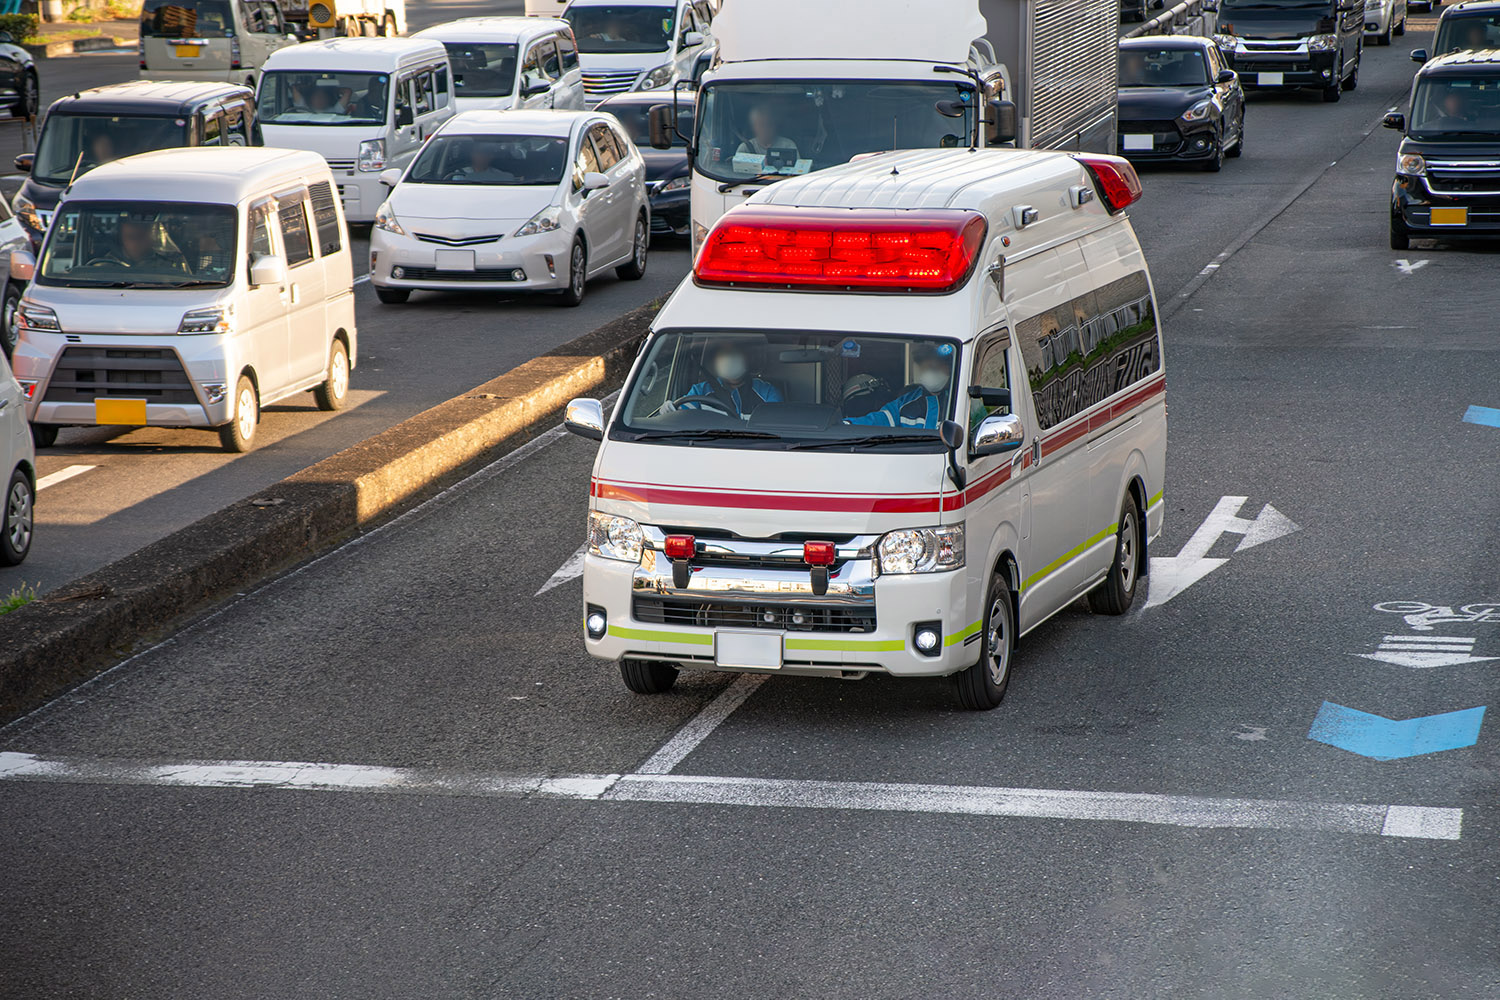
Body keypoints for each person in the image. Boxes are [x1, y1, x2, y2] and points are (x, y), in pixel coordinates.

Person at [845, 342, 954, 429]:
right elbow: (877, 420)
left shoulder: (959, 400)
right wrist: (845, 425)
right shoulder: (905, 402)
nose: (931, 372)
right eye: (927, 367)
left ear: (950, 369)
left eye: (936, 367)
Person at [682, 341, 783, 418]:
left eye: (736, 353)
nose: (730, 360)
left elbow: (777, 427)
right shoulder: (700, 392)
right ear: (716, 361)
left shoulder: (767, 393)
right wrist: (669, 413)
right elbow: (679, 418)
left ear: (747, 358)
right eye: (724, 354)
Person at [91, 219, 188, 274]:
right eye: (132, 237)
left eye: (142, 236)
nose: (137, 242)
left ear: (151, 238)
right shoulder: (102, 267)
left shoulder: (170, 266)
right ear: (121, 239)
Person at [735, 104, 799, 164]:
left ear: (775, 125)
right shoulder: (745, 148)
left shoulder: (788, 146)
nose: (765, 128)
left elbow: (800, 170)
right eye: (761, 125)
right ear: (754, 127)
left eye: (769, 124)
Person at [449, 144, 515, 183]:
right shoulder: (459, 174)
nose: (482, 156)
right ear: (472, 155)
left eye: (486, 153)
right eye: (478, 153)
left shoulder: (498, 174)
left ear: (491, 157)